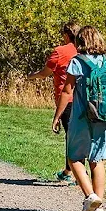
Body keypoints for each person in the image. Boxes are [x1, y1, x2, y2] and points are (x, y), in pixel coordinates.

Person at [53, 26, 106, 211]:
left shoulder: (77, 62)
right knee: (97, 159)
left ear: (80, 42)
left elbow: (67, 92)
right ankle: (98, 209)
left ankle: (90, 197)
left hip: (82, 117)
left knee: (74, 157)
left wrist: (57, 116)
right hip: (105, 117)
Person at [28, 22, 80, 184]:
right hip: (82, 99)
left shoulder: (60, 51)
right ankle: (68, 171)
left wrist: (32, 75)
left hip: (67, 100)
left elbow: (46, 72)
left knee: (71, 138)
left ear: (66, 35)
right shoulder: (83, 50)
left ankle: (76, 174)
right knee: (77, 136)